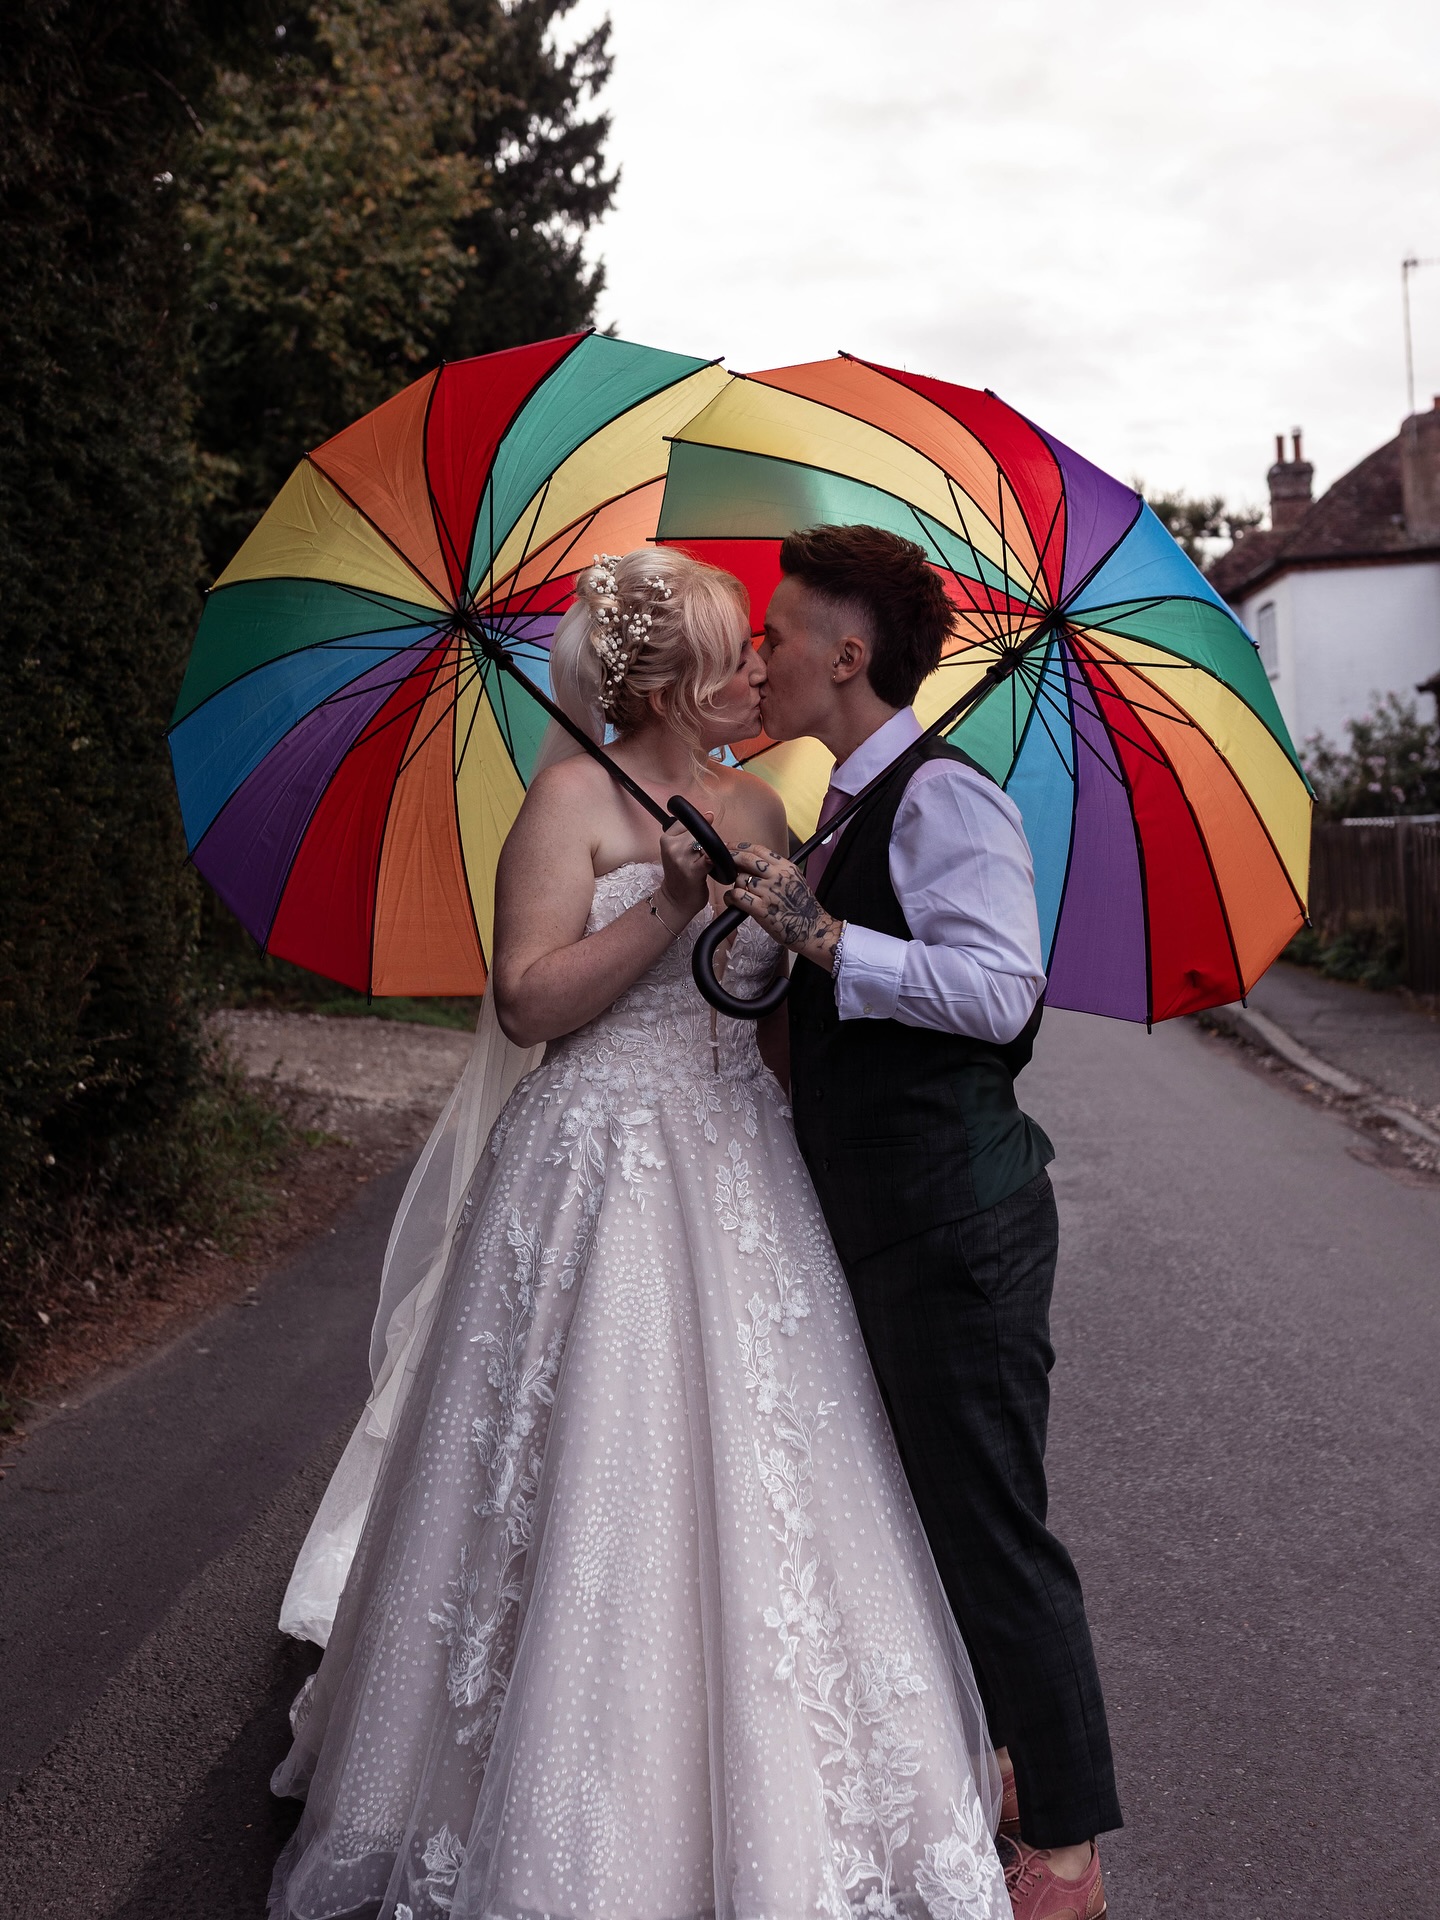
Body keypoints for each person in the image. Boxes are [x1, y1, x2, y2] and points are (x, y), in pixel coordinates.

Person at [267, 547, 1011, 1920]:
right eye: (732, 654)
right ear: (665, 679)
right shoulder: (566, 801)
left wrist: (767, 951)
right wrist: (668, 900)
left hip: (734, 1153)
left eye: (758, 650)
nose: (752, 677)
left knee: (772, 1469)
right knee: (582, 1452)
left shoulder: (767, 811)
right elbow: (528, 1005)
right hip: (593, 1162)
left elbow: (770, 1012)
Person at [725, 524, 1120, 1920]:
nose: (757, 654)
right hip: (889, 1218)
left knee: (993, 1526)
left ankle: (1066, 1852)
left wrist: (824, 938)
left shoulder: (946, 800)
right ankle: (1008, 1766)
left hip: (961, 1220)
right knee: (930, 1519)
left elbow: (1000, 994)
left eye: (776, 633)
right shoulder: (836, 809)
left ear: (848, 654)